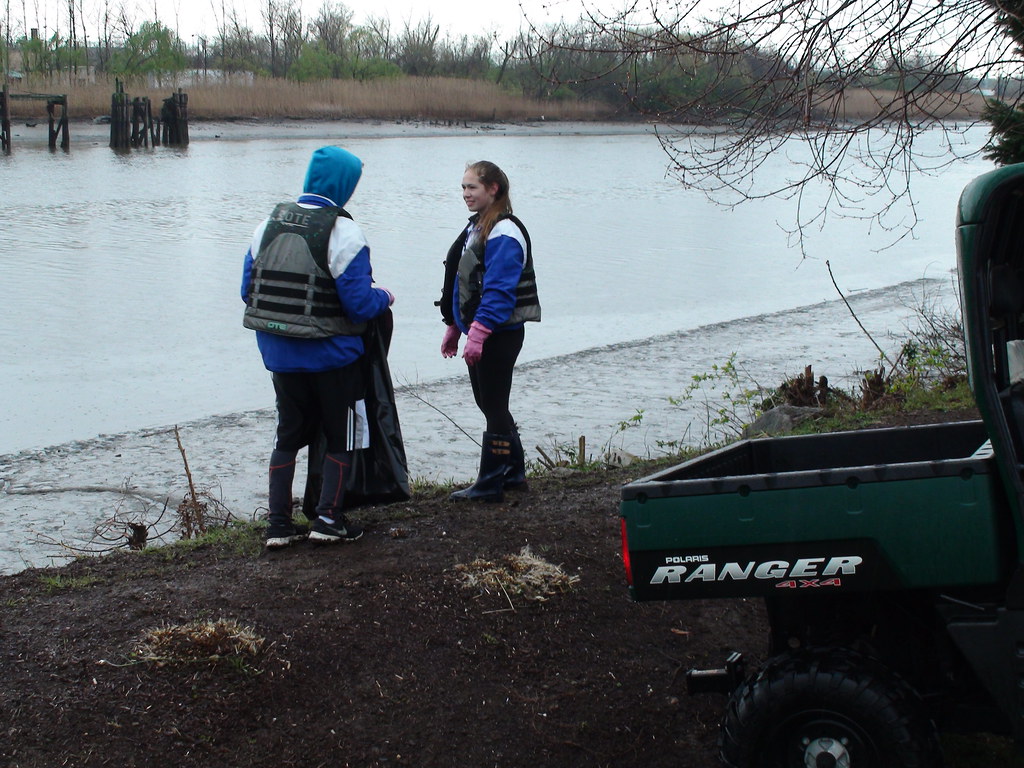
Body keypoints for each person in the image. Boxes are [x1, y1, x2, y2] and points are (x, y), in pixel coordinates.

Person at [242, 145, 395, 548]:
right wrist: (386, 297)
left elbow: (248, 292)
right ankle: (328, 518)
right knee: (343, 434)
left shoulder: (266, 226)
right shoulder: (345, 232)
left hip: (278, 355)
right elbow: (359, 305)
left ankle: (277, 524)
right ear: (345, 185)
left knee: (288, 434)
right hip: (332, 357)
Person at [438, 161, 541, 502]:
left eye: (472, 188)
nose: (466, 194)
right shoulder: (479, 227)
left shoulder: (504, 232)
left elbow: (498, 292)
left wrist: (478, 335)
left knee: (494, 404)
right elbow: (463, 282)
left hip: (501, 333)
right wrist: (455, 326)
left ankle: (490, 482)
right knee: (488, 402)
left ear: (493, 189)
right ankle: (513, 474)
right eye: (463, 188)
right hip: (483, 330)